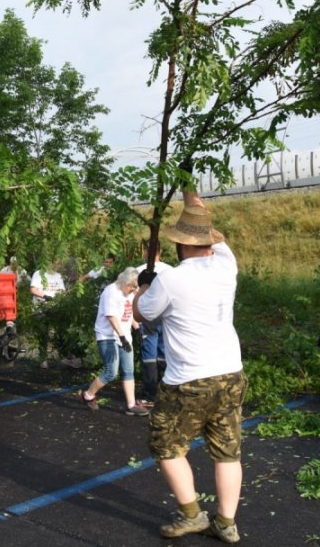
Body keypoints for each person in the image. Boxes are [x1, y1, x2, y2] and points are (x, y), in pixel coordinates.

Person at [133, 191, 247, 544]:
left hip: (188, 380)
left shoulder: (171, 280)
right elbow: (214, 232)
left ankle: (191, 515)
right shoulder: (227, 266)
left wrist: (142, 290)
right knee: (228, 450)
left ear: (181, 245)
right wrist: (191, 197)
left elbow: (142, 315)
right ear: (209, 240)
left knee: (165, 444)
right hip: (230, 373)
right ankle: (226, 523)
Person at [80, 267, 148, 416]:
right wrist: (122, 337)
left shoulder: (130, 293)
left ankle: (131, 405)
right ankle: (88, 395)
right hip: (107, 336)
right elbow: (112, 317)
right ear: (125, 282)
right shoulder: (111, 292)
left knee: (129, 371)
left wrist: (138, 329)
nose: (134, 290)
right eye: (132, 287)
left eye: (136, 287)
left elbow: (129, 315)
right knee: (111, 372)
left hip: (124, 335)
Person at [135, 240, 174, 407]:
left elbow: (132, 297)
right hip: (166, 317)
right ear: (161, 251)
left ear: (145, 252)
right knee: (164, 353)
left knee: (149, 355)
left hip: (147, 317)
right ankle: (168, 392)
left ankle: (149, 394)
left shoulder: (138, 271)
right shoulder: (171, 271)